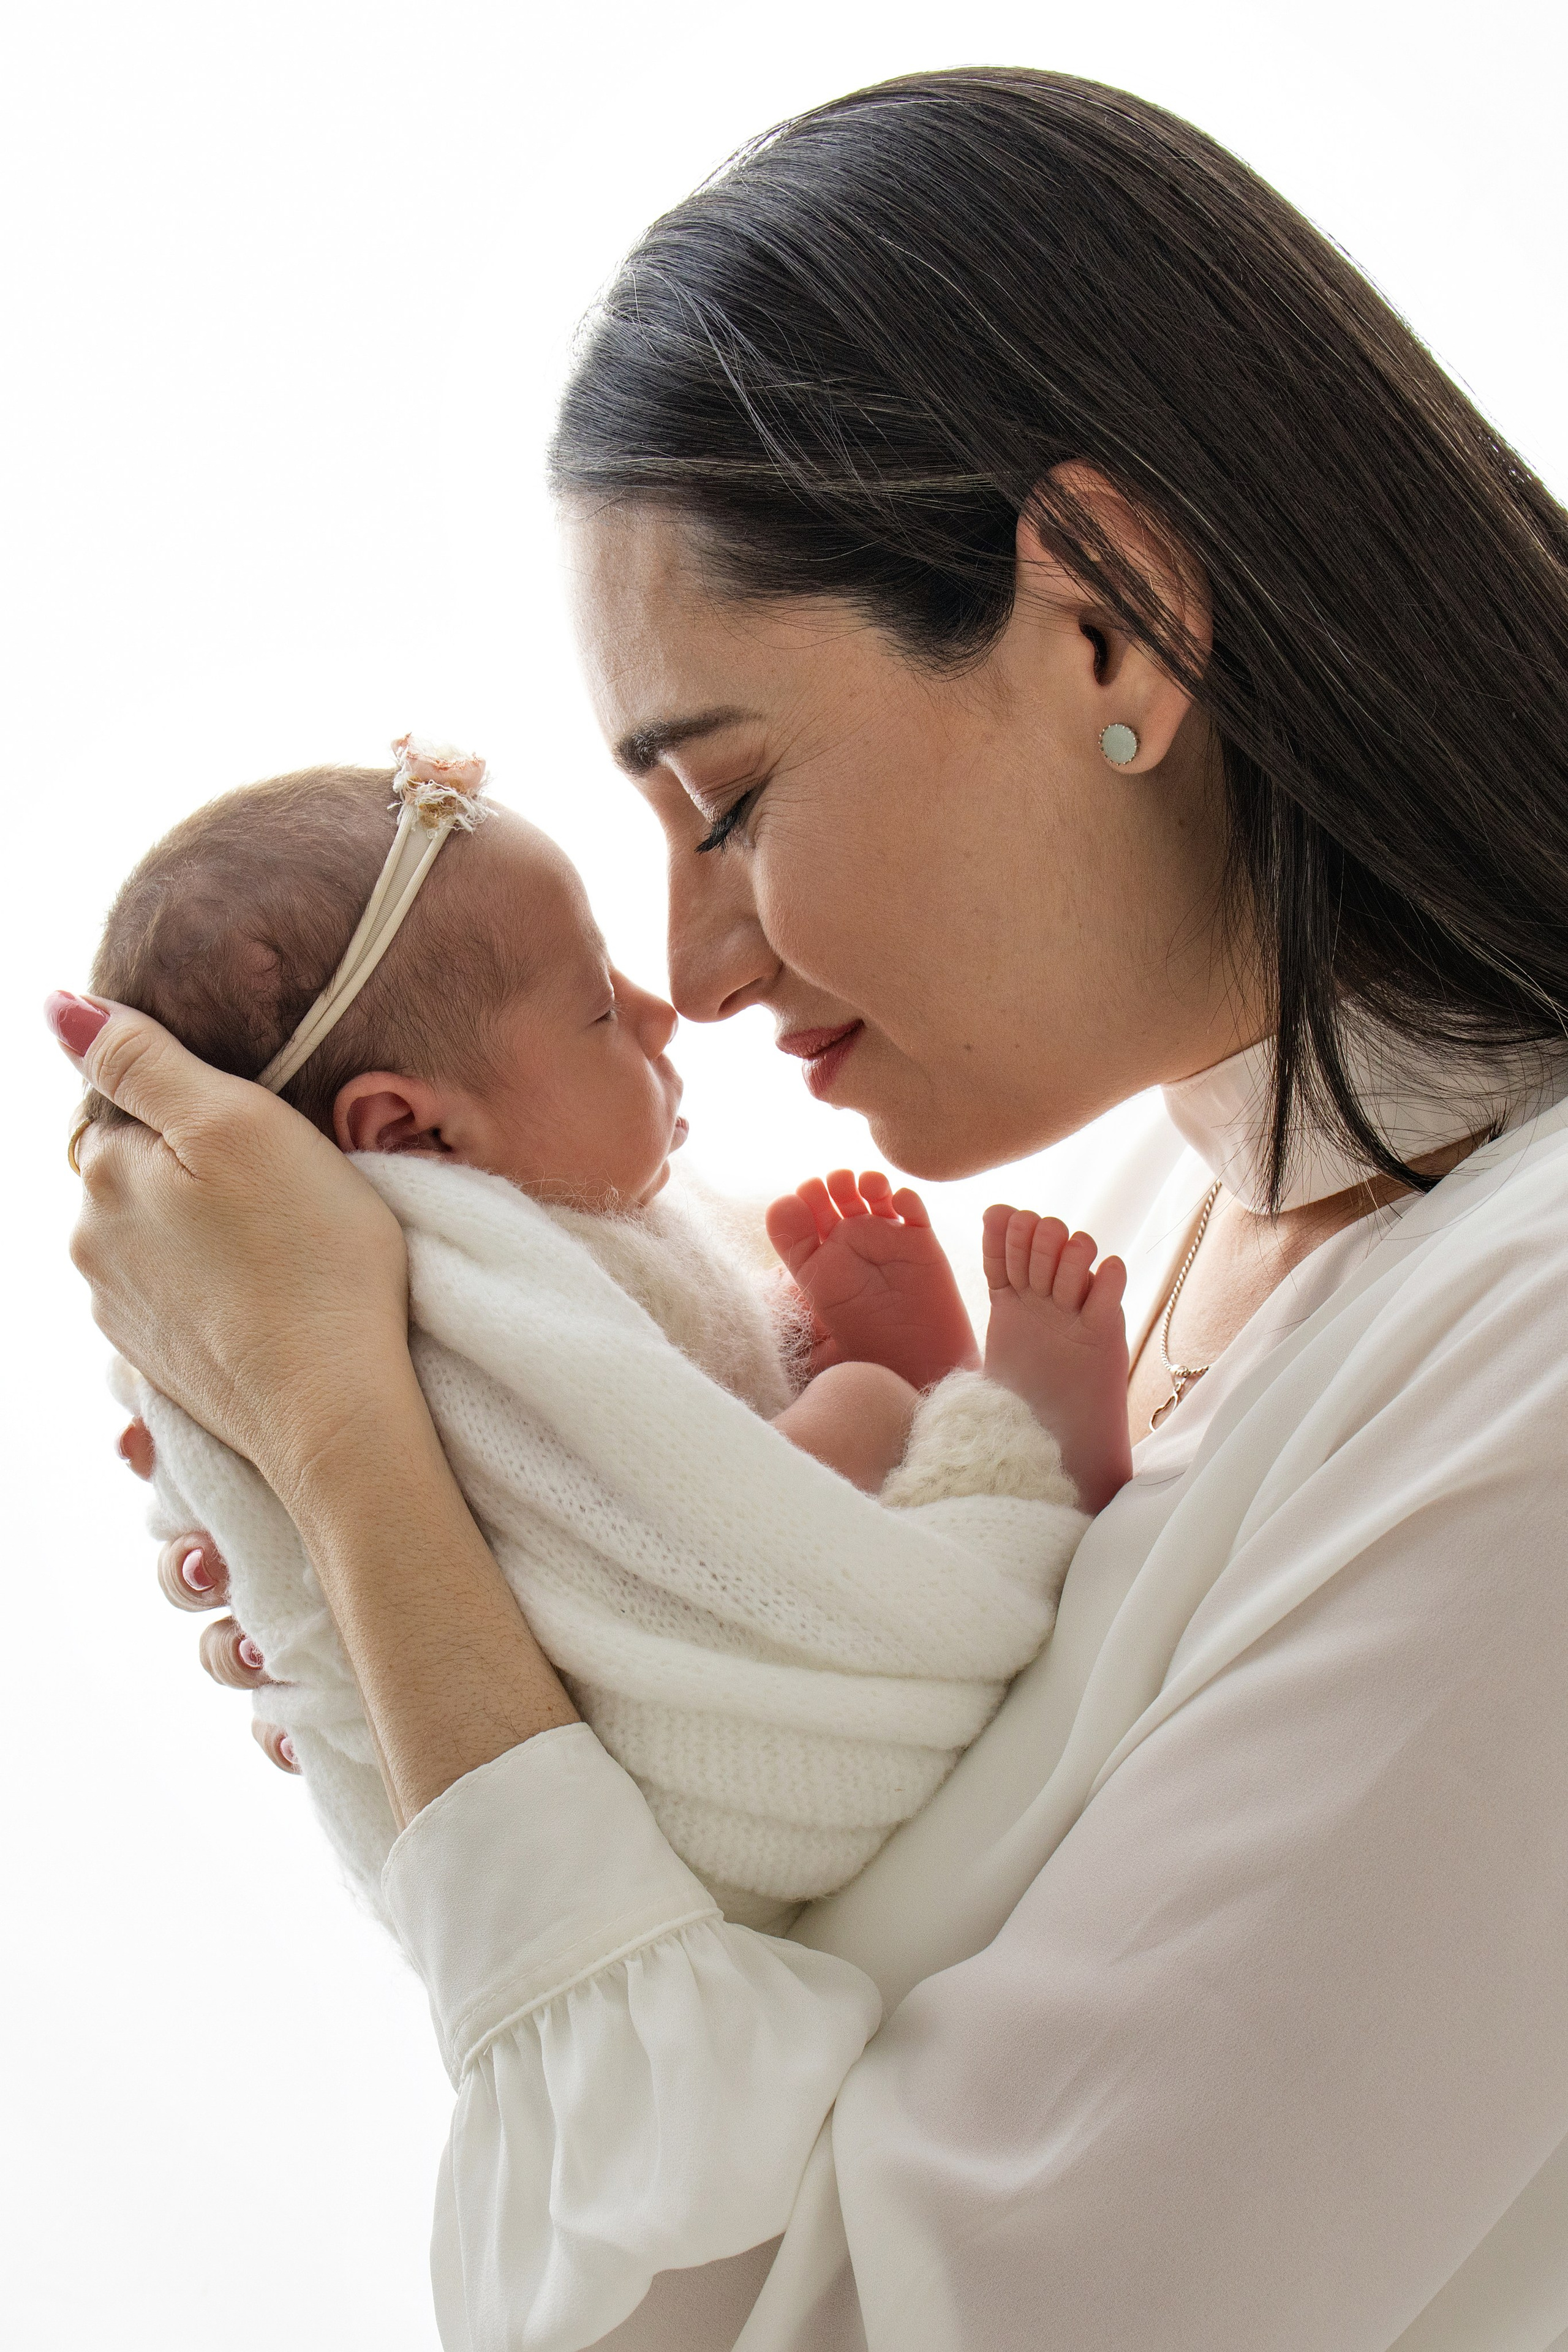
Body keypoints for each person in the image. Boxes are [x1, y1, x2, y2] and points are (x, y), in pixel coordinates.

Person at [56, 65, 1568, 2352]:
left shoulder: (1526, 1376)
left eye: (731, 797)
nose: (688, 966)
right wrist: (476, 1603)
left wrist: (365, 1479)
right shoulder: (1170, 1197)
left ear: (1110, 625)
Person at [86, 739, 1102, 1928]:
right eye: (600, 1007)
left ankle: (918, 1406)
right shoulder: (450, 1294)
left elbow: (635, 1441)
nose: (663, 1010)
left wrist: (784, 1346)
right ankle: (1014, 1447)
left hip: (547, 1827)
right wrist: (857, 1389)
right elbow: (656, 1523)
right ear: (412, 1134)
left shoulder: (468, 1253)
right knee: (869, 1404)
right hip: (698, 1780)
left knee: (822, 1381)